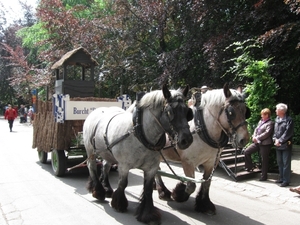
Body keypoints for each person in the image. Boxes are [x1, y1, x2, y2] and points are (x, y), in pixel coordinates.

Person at [244, 108, 274, 181]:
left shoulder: (270, 123)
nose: (261, 116)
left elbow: (267, 133)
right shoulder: (260, 121)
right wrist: (254, 136)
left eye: (263, 115)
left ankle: (264, 176)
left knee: (264, 160)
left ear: (267, 115)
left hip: (265, 144)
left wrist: (258, 138)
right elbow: (256, 129)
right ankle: (250, 166)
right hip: (257, 142)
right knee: (247, 151)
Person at [273, 103, 294, 187]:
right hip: (278, 144)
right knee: (280, 162)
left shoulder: (289, 120)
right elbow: (275, 132)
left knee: (286, 163)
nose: (275, 111)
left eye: (276, 109)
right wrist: (275, 139)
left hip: (285, 145)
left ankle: (286, 180)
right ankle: (281, 178)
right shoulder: (277, 119)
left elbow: (288, 133)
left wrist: (280, 141)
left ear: (281, 111)